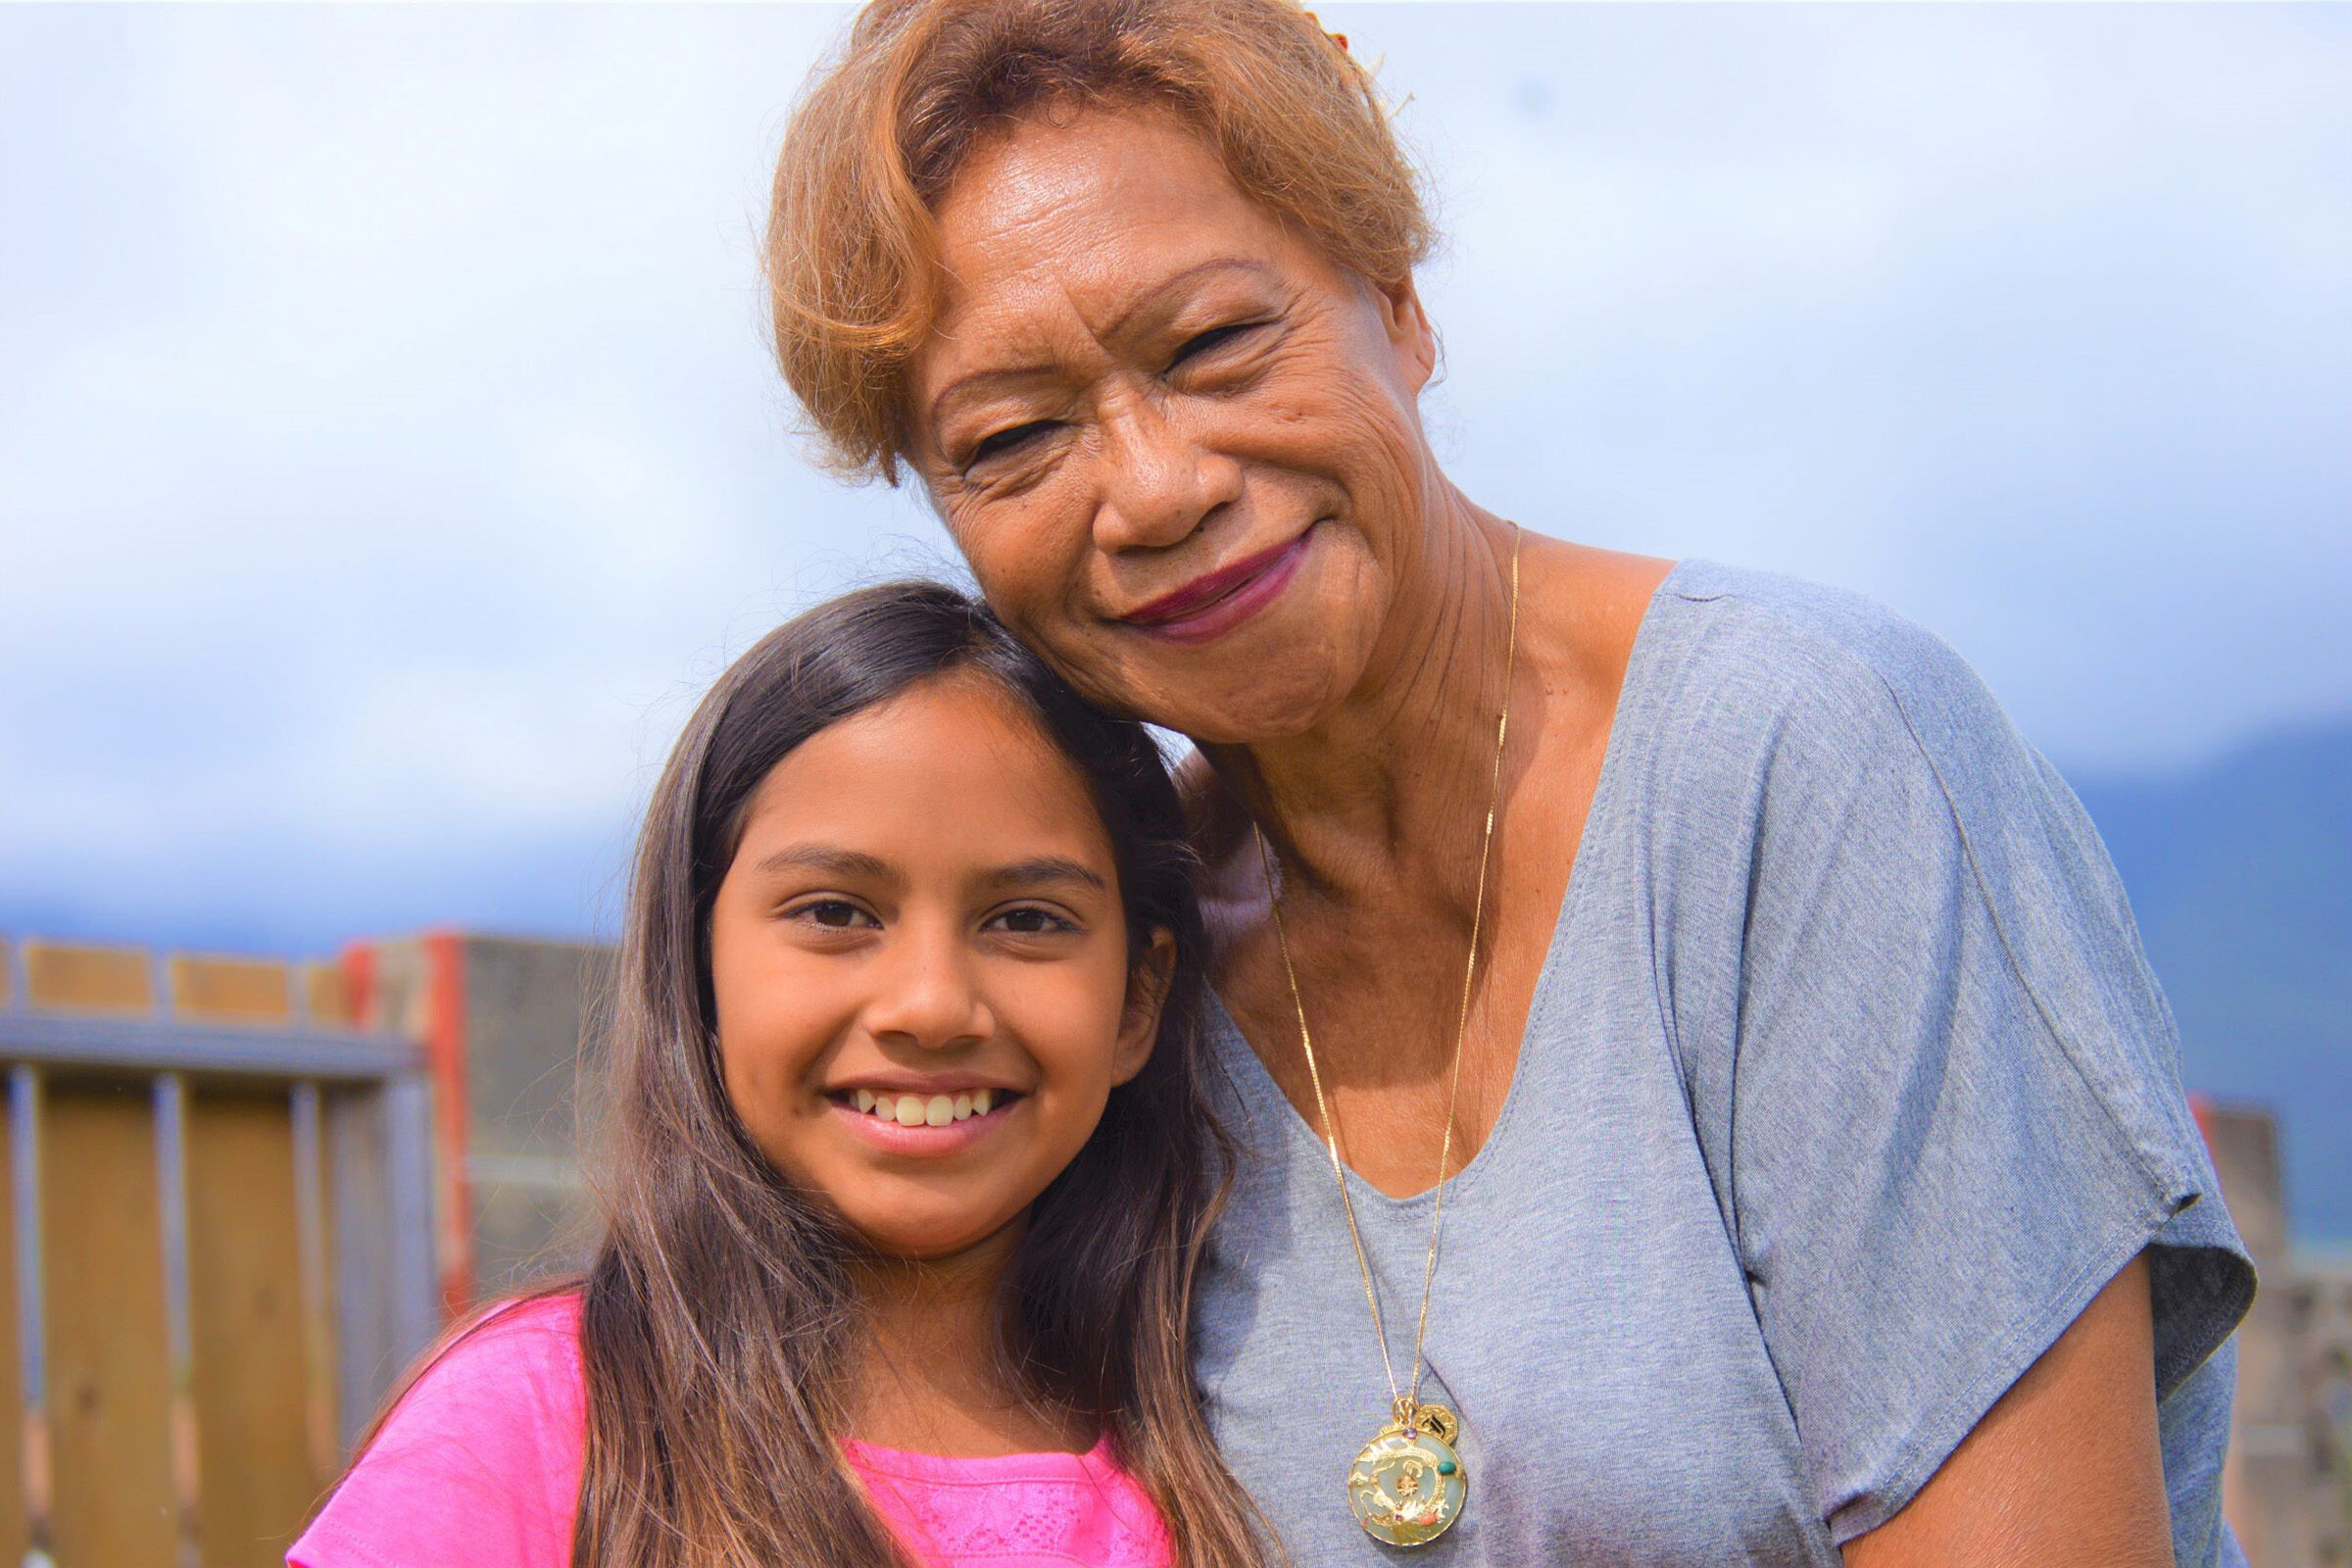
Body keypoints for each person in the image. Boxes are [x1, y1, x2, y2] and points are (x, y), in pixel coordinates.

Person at [761, 2, 2258, 1563]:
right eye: (1013, 438)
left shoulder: (1799, 761)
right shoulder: (1110, 976)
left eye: (1213, 346)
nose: (1152, 487)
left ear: (1397, 300)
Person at [289, 583, 1269, 1568]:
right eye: (837, 912)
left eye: (1026, 920)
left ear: (1137, 1002)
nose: (928, 1005)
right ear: (699, 963)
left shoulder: (1228, 1439)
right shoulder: (534, 1426)